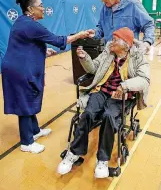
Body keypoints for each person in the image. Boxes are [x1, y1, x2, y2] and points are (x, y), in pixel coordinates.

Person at [1, 0, 89, 154]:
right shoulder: (31, 25)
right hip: (18, 71)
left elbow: (26, 44)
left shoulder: (23, 22)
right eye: (41, 6)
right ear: (30, 9)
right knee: (25, 103)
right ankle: (26, 142)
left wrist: (44, 50)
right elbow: (58, 40)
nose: (44, 8)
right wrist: (80, 35)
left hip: (18, 67)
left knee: (30, 98)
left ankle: (34, 131)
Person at [57, 27, 150, 178]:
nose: (110, 42)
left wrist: (125, 86)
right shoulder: (108, 52)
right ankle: (74, 153)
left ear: (125, 44)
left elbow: (144, 80)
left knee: (108, 117)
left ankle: (103, 160)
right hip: (101, 90)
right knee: (87, 114)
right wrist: (84, 57)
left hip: (120, 95)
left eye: (114, 40)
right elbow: (94, 68)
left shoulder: (137, 57)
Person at [86, 0, 155, 54]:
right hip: (109, 55)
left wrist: (147, 42)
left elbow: (148, 24)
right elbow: (101, 28)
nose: (102, 0)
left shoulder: (132, 4)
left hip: (128, 56)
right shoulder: (105, 8)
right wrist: (95, 33)